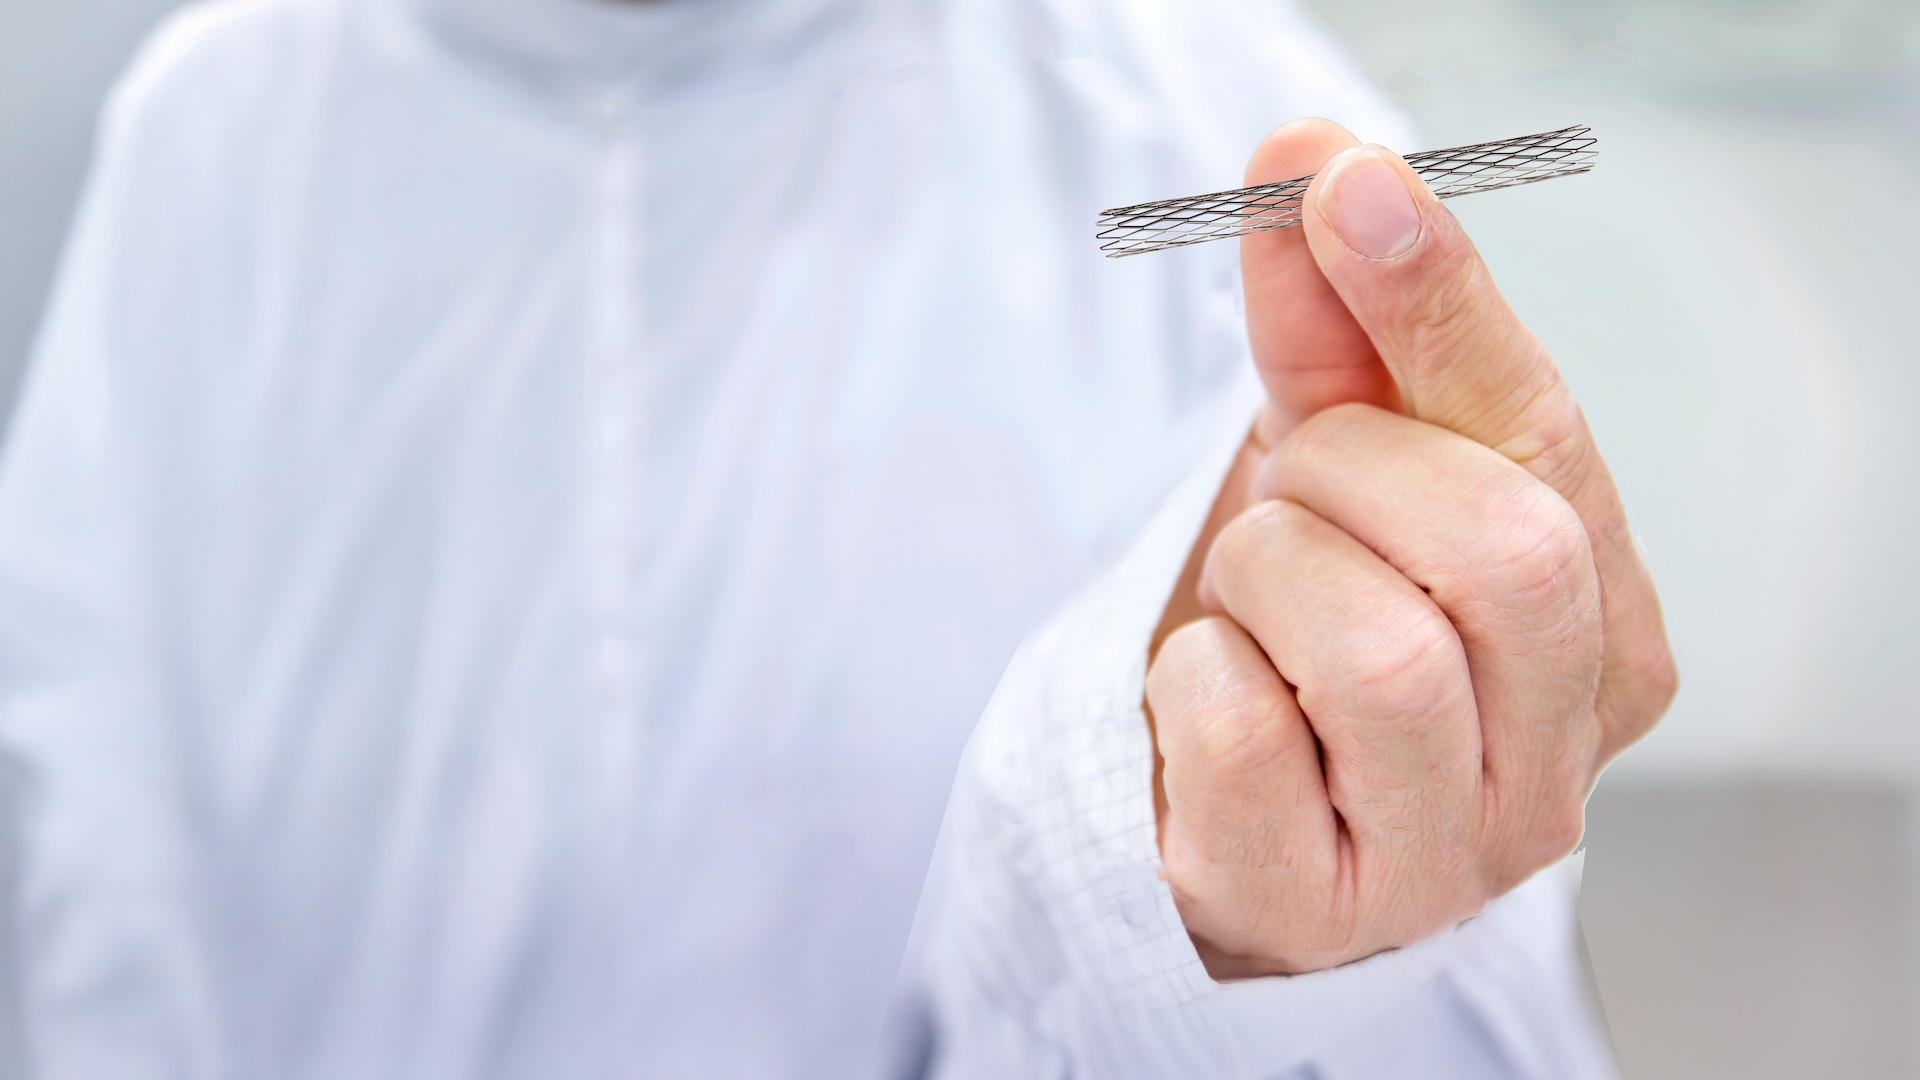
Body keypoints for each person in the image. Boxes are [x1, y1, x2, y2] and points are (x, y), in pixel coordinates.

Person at [0, 0, 1673, 1075]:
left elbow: (1462, 1020)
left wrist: (1278, 925)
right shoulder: (221, 138)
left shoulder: (1210, 112)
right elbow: (92, 885)